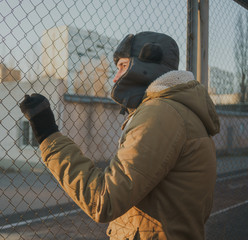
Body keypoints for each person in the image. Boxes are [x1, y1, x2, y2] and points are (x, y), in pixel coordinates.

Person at [20, 31, 220, 240]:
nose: (115, 78)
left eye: (123, 66)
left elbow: (103, 200)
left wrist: (48, 135)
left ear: (147, 64)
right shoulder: (181, 111)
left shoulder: (161, 114)